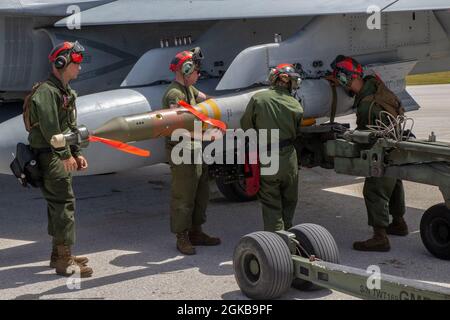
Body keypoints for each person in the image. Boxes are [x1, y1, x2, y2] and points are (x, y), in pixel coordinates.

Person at [27, 41, 93, 277]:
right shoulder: (47, 92)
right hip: (50, 155)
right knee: (64, 204)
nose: (79, 68)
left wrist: (76, 152)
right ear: (61, 62)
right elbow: (51, 129)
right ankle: (64, 260)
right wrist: (65, 155)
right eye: (76, 62)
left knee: (58, 205)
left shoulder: (63, 92)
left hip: (57, 153)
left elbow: (69, 128)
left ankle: (59, 254)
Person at [331, 55, 408, 252]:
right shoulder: (375, 85)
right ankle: (399, 222)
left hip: (382, 148)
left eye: (340, 79)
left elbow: (366, 137)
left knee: (374, 189)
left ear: (346, 78)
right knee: (395, 180)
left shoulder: (366, 105)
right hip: (396, 144)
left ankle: (380, 237)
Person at [161, 48, 221, 255]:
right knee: (184, 196)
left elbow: (206, 98)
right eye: (196, 70)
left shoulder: (189, 90)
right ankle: (182, 237)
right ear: (185, 70)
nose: (199, 74)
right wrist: (207, 136)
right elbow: (178, 129)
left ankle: (196, 231)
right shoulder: (174, 95)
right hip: (182, 151)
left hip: (195, 150)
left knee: (200, 194)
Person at [240, 63, 303, 232]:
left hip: (268, 157)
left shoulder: (258, 98)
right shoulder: (295, 104)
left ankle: (277, 241)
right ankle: (288, 233)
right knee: (289, 199)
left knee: (270, 201)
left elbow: (246, 126)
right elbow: (298, 131)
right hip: (289, 158)